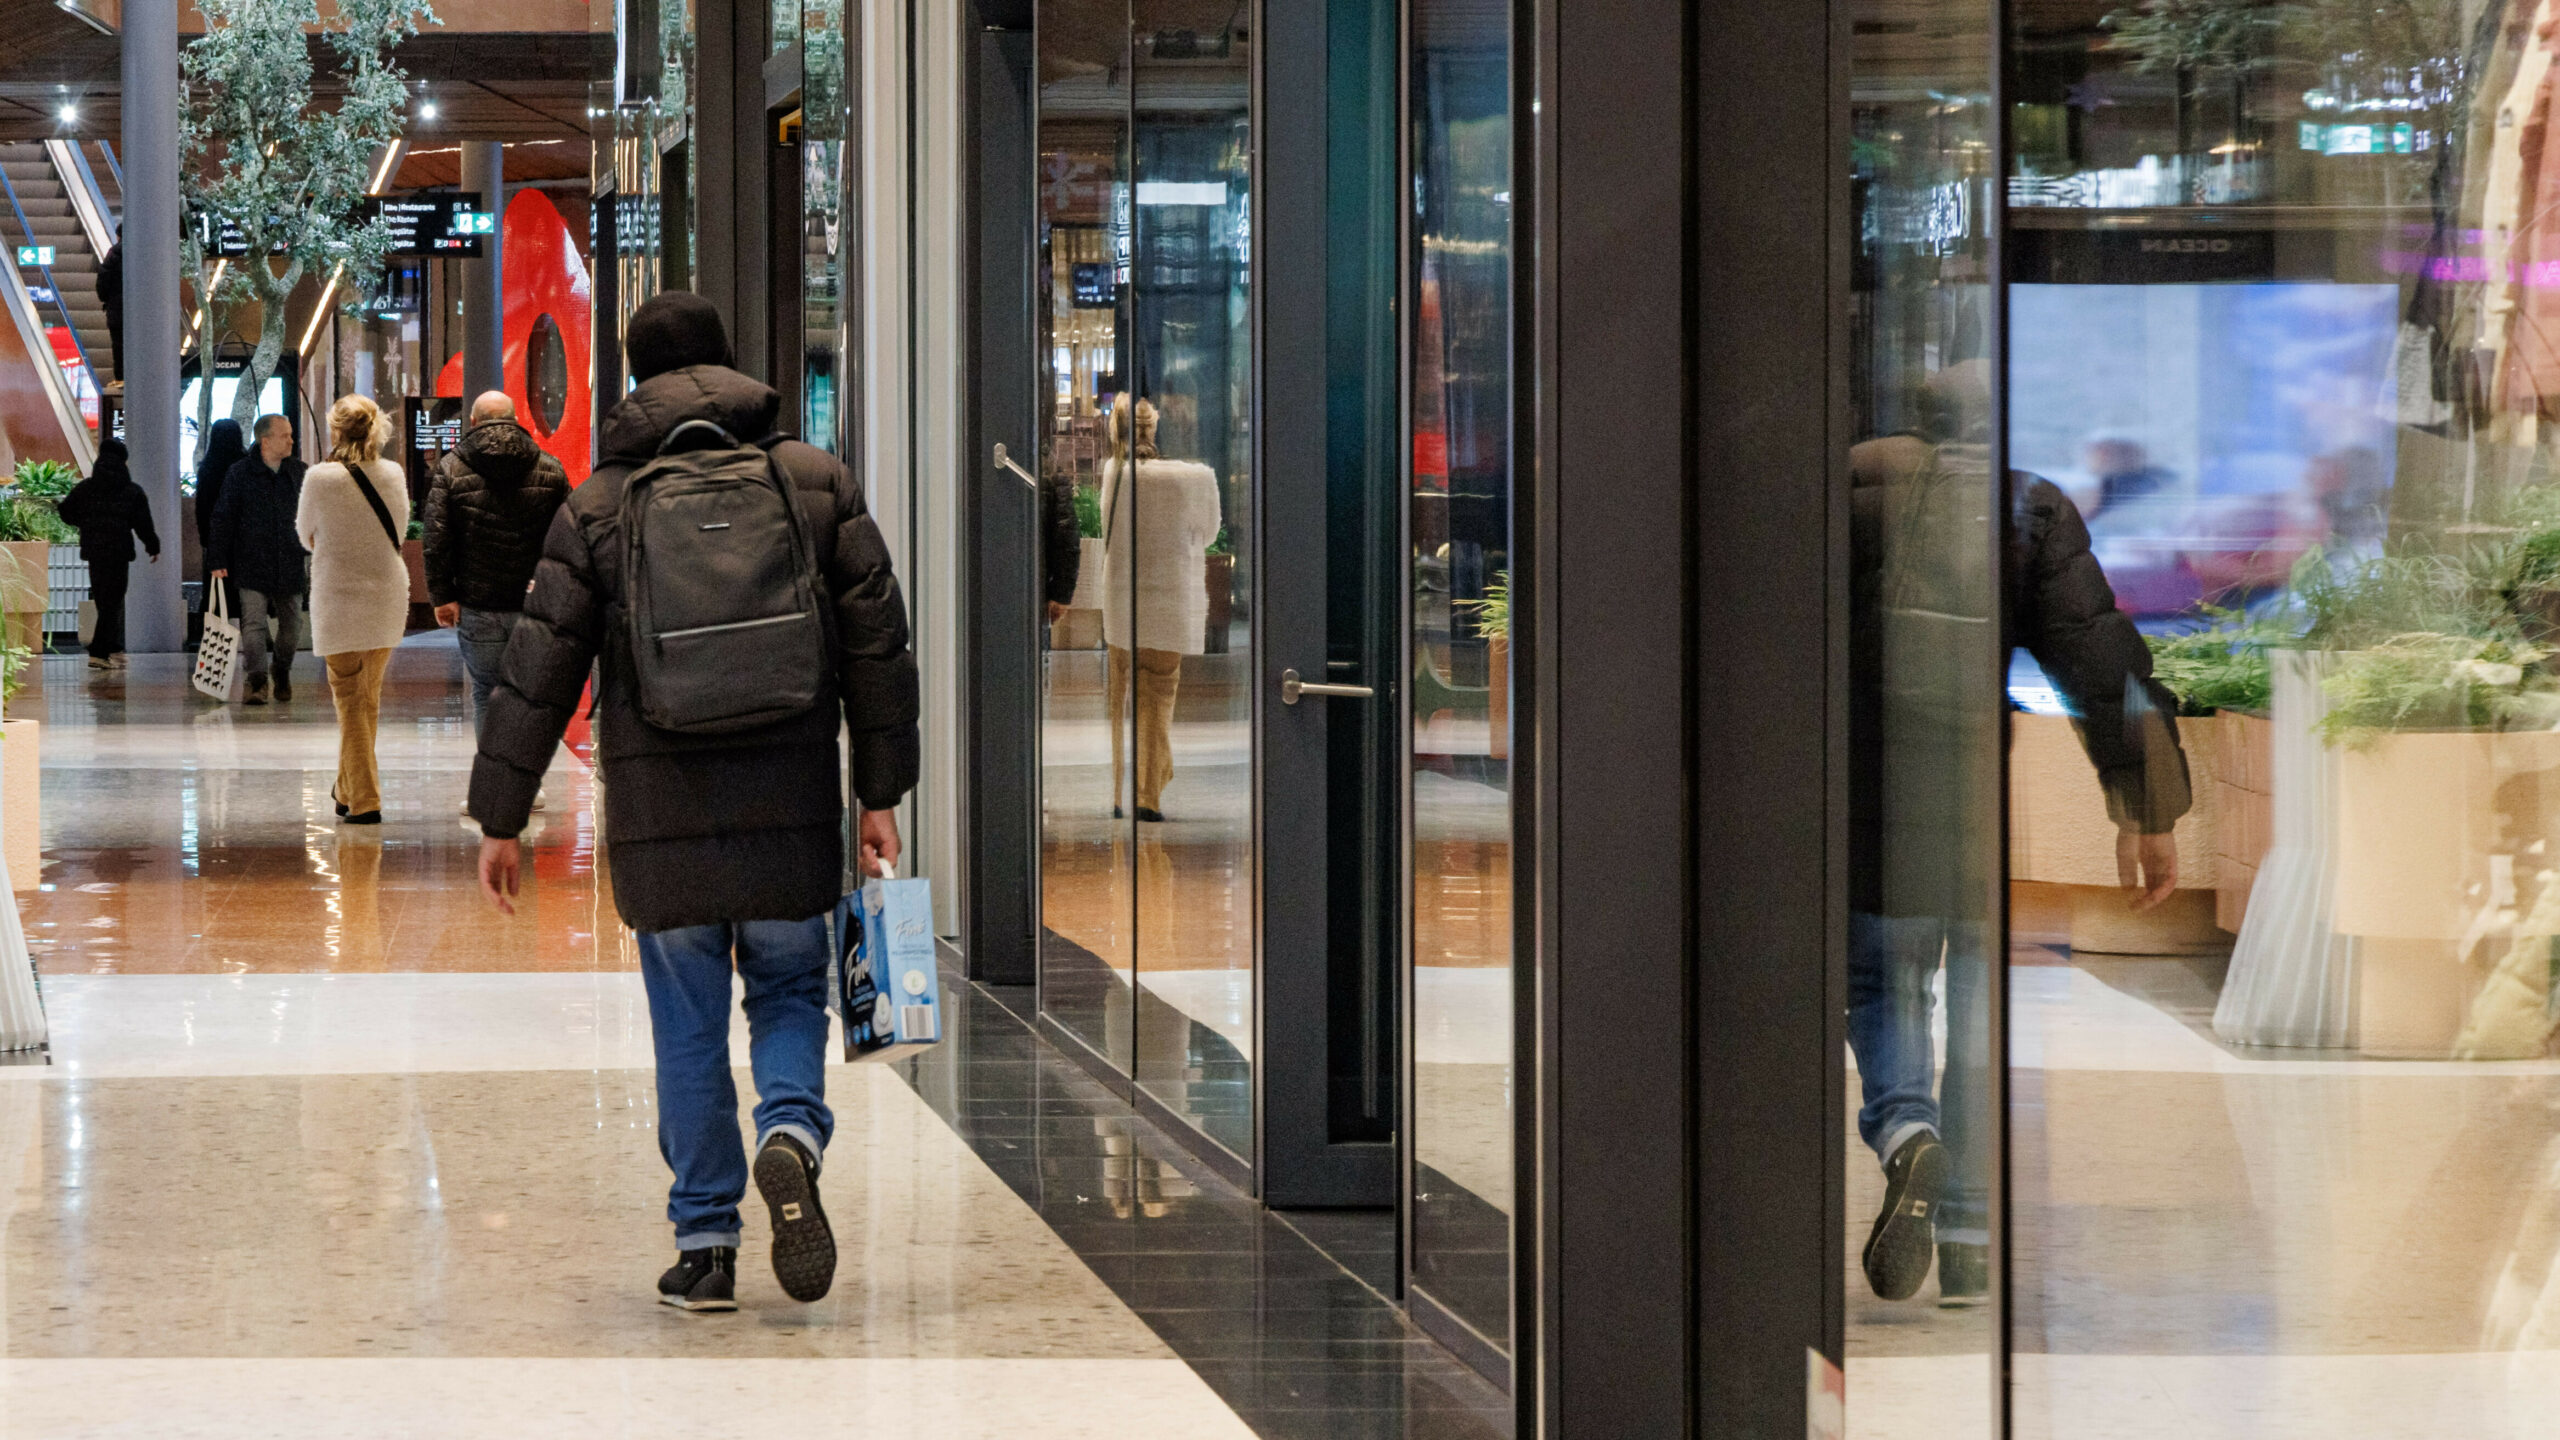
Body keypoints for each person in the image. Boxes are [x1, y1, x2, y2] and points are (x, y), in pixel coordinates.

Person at [469, 292, 919, 1313]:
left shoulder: (599, 506)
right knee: (790, 989)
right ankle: (790, 1130)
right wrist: (879, 793)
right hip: (789, 794)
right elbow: (877, 649)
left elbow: (539, 668)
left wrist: (502, 816)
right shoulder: (815, 484)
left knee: (686, 1022)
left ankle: (707, 1245)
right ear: (728, 364)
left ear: (635, 380)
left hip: (660, 806)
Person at [1849, 361, 2189, 1308]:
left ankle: (1907, 1136)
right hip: (1970, 796)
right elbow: (2102, 664)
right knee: (1974, 1005)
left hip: (1865, 789)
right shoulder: (2029, 509)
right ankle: (1966, 1235)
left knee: (1881, 980)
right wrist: (2147, 812)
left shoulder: (1848, 486)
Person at [424, 390, 570, 816]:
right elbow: (569, 536)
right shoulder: (550, 467)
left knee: (487, 693)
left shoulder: (451, 468)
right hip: (535, 604)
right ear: (514, 418)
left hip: (478, 603)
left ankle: (491, 790)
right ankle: (527, 788)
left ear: (472, 421)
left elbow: (436, 538)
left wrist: (443, 596)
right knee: (527, 697)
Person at [1097, 395, 1221, 822]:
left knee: (1119, 699)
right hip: (1168, 605)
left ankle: (1118, 794)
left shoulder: (1113, 474)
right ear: (1154, 428)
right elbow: (1210, 532)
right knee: (1158, 696)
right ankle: (1148, 797)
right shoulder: (1190, 479)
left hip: (1121, 604)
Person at [297, 395, 412, 825]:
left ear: (336, 430)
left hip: (338, 598)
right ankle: (345, 788)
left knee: (349, 700)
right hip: (386, 596)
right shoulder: (393, 474)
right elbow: (400, 530)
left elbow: (304, 534)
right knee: (367, 699)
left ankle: (365, 800)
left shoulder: (319, 478)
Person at [207, 414, 307, 706]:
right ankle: (257, 680)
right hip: (251, 559)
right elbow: (223, 516)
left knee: (293, 625)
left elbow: (314, 512)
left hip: (290, 559)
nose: (291, 440)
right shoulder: (240, 473)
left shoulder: (299, 472)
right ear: (266, 441)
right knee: (253, 624)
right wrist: (217, 557)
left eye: (291, 434)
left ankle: (281, 668)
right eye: (285, 435)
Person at [56, 438, 160, 670]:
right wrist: (152, 546)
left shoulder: (86, 488)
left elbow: (65, 511)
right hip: (119, 552)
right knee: (113, 601)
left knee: (104, 600)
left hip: (94, 551)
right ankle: (100, 652)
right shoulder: (132, 491)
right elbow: (143, 523)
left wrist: (85, 522)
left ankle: (112, 647)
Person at [193, 418, 247, 561]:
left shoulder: (207, 469)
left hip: (216, 535)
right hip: (245, 536)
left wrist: (204, 537)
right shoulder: (246, 466)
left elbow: (202, 506)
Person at [95, 235, 122, 387]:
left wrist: (106, 298)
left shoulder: (114, 254)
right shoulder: (146, 252)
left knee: (118, 343)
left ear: (118, 237)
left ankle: (121, 378)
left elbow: (103, 279)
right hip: (141, 311)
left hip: (117, 308)